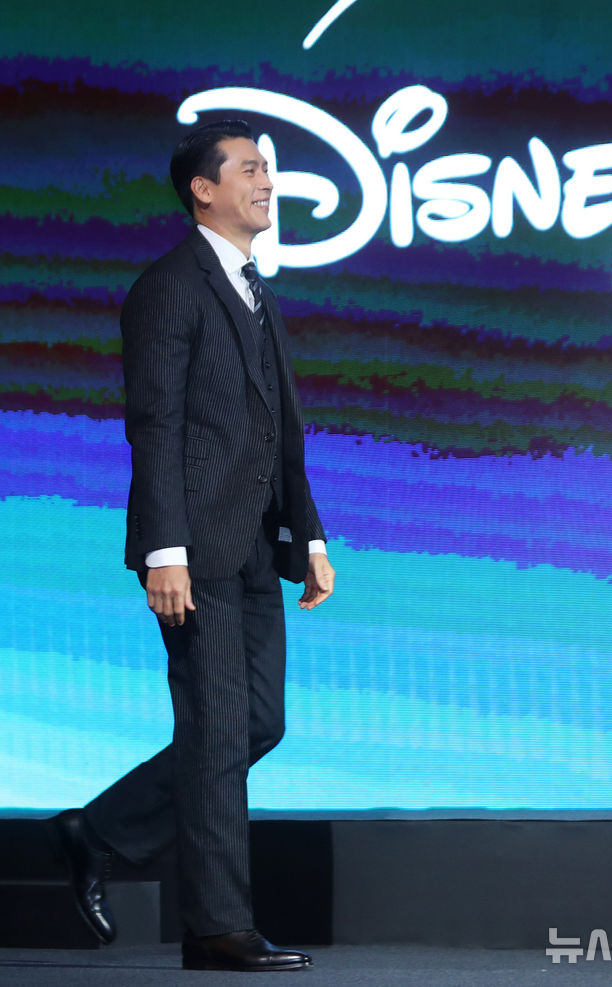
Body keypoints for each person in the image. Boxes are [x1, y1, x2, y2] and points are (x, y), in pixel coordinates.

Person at [48, 119, 335, 972]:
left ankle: (98, 830)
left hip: (253, 545)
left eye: (268, 168)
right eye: (250, 168)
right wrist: (163, 550)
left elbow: (281, 429)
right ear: (203, 190)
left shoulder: (254, 288)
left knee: (257, 721)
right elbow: (156, 424)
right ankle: (217, 926)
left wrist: (309, 533)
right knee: (214, 730)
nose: (267, 181)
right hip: (193, 548)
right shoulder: (169, 287)